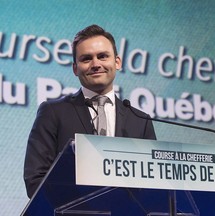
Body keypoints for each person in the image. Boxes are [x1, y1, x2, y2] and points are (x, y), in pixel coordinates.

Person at [23, 24, 156, 198]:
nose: (95, 64)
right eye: (86, 59)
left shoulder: (140, 120)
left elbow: (154, 183)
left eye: (103, 56)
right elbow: (35, 179)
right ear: (75, 68)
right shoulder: (53, 113)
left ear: (117, 62)